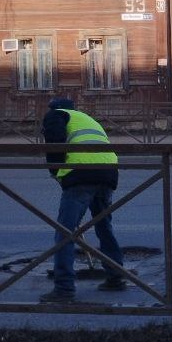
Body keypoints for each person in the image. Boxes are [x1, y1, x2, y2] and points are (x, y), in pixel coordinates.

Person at [39, 97, 125, 302]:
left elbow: (55, 145)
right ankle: (115, 276)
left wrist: (54, 171)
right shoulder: (86, 118)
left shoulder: (56, 115)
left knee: (65, 232)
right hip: (108, 173)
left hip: (81, 174)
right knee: (104, 226)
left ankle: (64, 288)